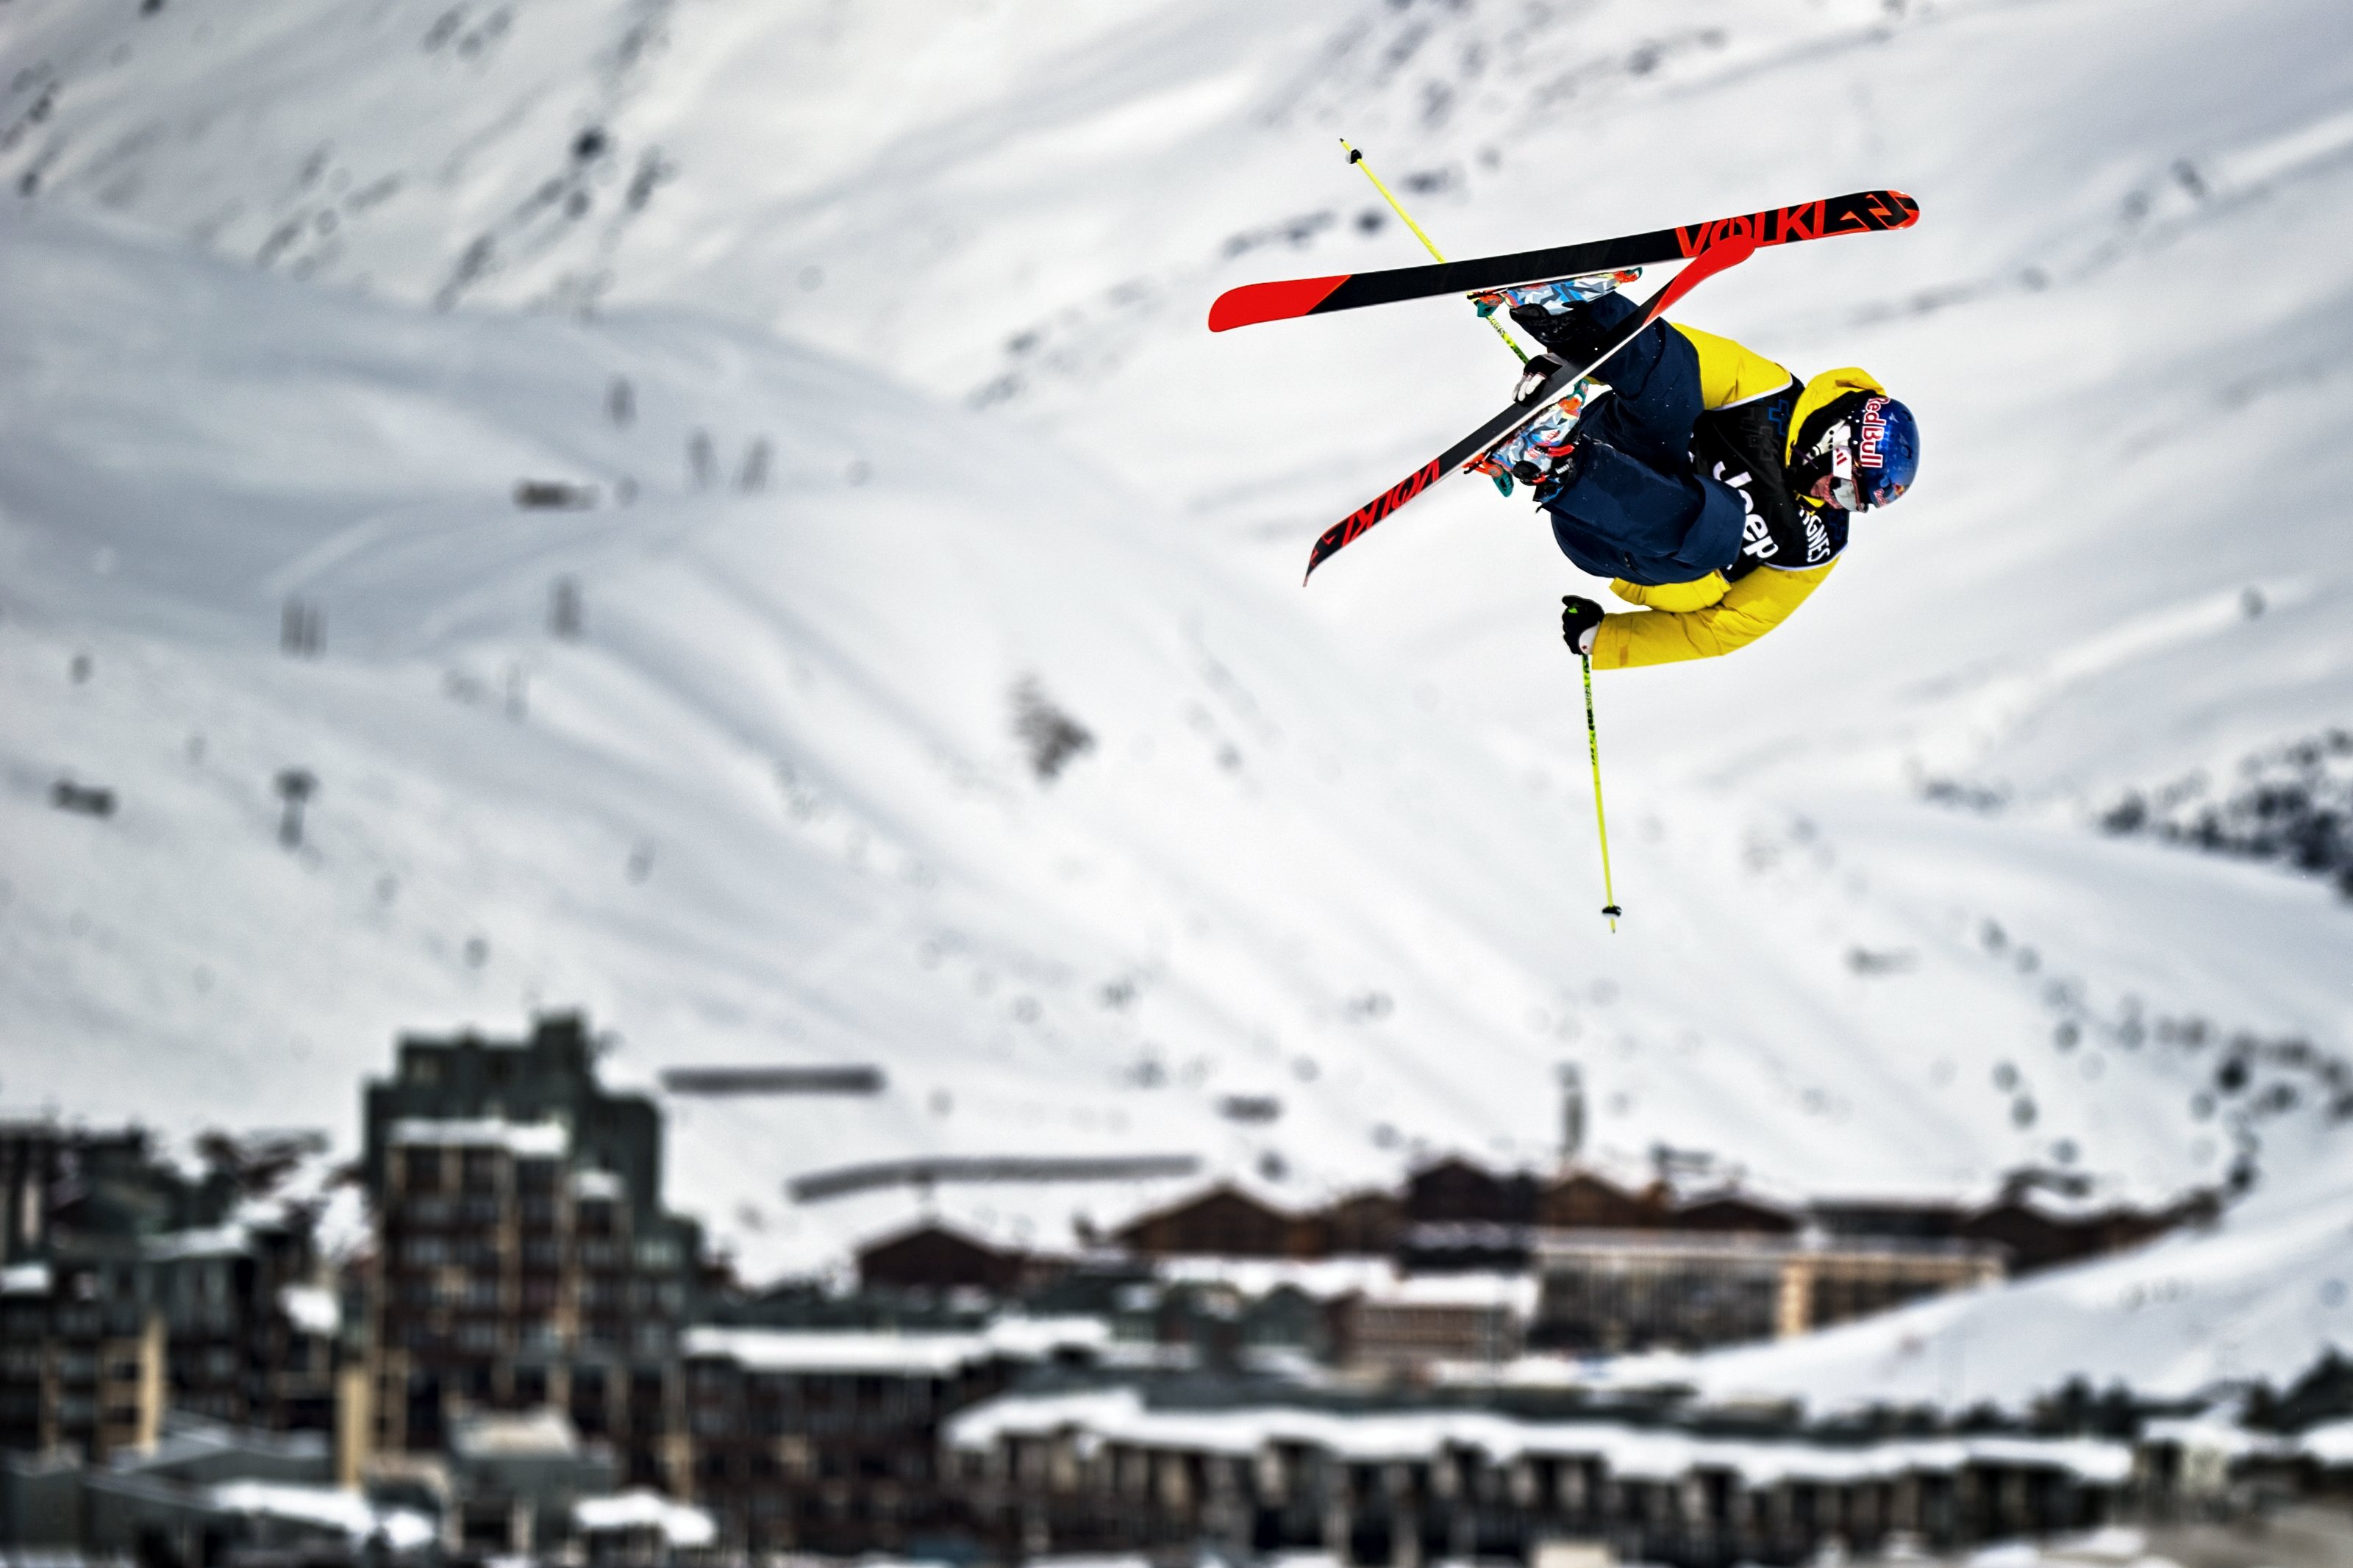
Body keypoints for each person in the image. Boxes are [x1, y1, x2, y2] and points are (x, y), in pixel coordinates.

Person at [1486, 284, 1919, 668]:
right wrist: (1574, 361)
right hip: (1617, 440)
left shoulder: (1813, 546)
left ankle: (1554, 466)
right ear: (1833, 440)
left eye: (1851, 503)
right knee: (1678, 384)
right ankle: (1564, 314)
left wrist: (1608, 640)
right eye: (1844, 487)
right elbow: (1678, 360)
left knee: (1723, 527)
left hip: (1612, 541)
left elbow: (1719, 631)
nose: (1833, 500)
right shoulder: (1770, 396)